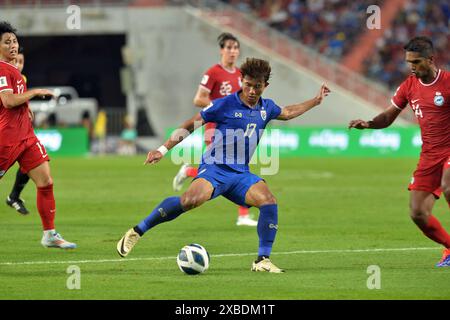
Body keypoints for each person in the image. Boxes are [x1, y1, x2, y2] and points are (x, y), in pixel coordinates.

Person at [117, 57, 330, 272]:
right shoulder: (224, 105)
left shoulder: (267, 108)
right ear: (241, 81)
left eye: (257, 86)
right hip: (215, 168)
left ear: (265, 86)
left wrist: (315, 100)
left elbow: (289, 112)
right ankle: (137, 230)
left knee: (268, 201)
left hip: (240, 174)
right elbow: (191, 124)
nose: (252, 91)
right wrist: (162, 150)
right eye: (248, 85)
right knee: (190, 200)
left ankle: (262, 260)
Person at [348, 36, 450, 267]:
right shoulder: (409, 86)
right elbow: (388, 116)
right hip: (429, 155)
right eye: (408, 62)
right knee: (418, 213)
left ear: (431, 59)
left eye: (416, 62)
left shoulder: (448, 82)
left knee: (449, 185)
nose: (412, 67)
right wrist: (369, 124)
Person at [0, 21, 76, 249]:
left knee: (45, 181)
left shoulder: (14, 71)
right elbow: (8, 100)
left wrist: (26, 106)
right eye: (7, 42)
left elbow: (13, 102)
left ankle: (50, 234)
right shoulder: (2, 69)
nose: (13, 45)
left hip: (26, 138)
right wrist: (35, 93)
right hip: (7, 140)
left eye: (14, 41)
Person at [172, 32, 258, 227]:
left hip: (237, 130)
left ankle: (243, 214)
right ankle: (190, 170)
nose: (233, 51)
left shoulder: (241, 75)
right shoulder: (213, 72)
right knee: (220, 168)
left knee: (240, 166)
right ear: (221, 50)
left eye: (236, 48)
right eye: (229, 48)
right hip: (215, 128)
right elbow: (198, 99)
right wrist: (221, 108)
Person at [5, 46, 30, 214]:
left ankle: (14, 196)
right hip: (5, 131)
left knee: (31, 163)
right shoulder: (4, 76)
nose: (18, 65)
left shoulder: (22, 79)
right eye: (15, 61)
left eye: (21, 62)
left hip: (18, 131)